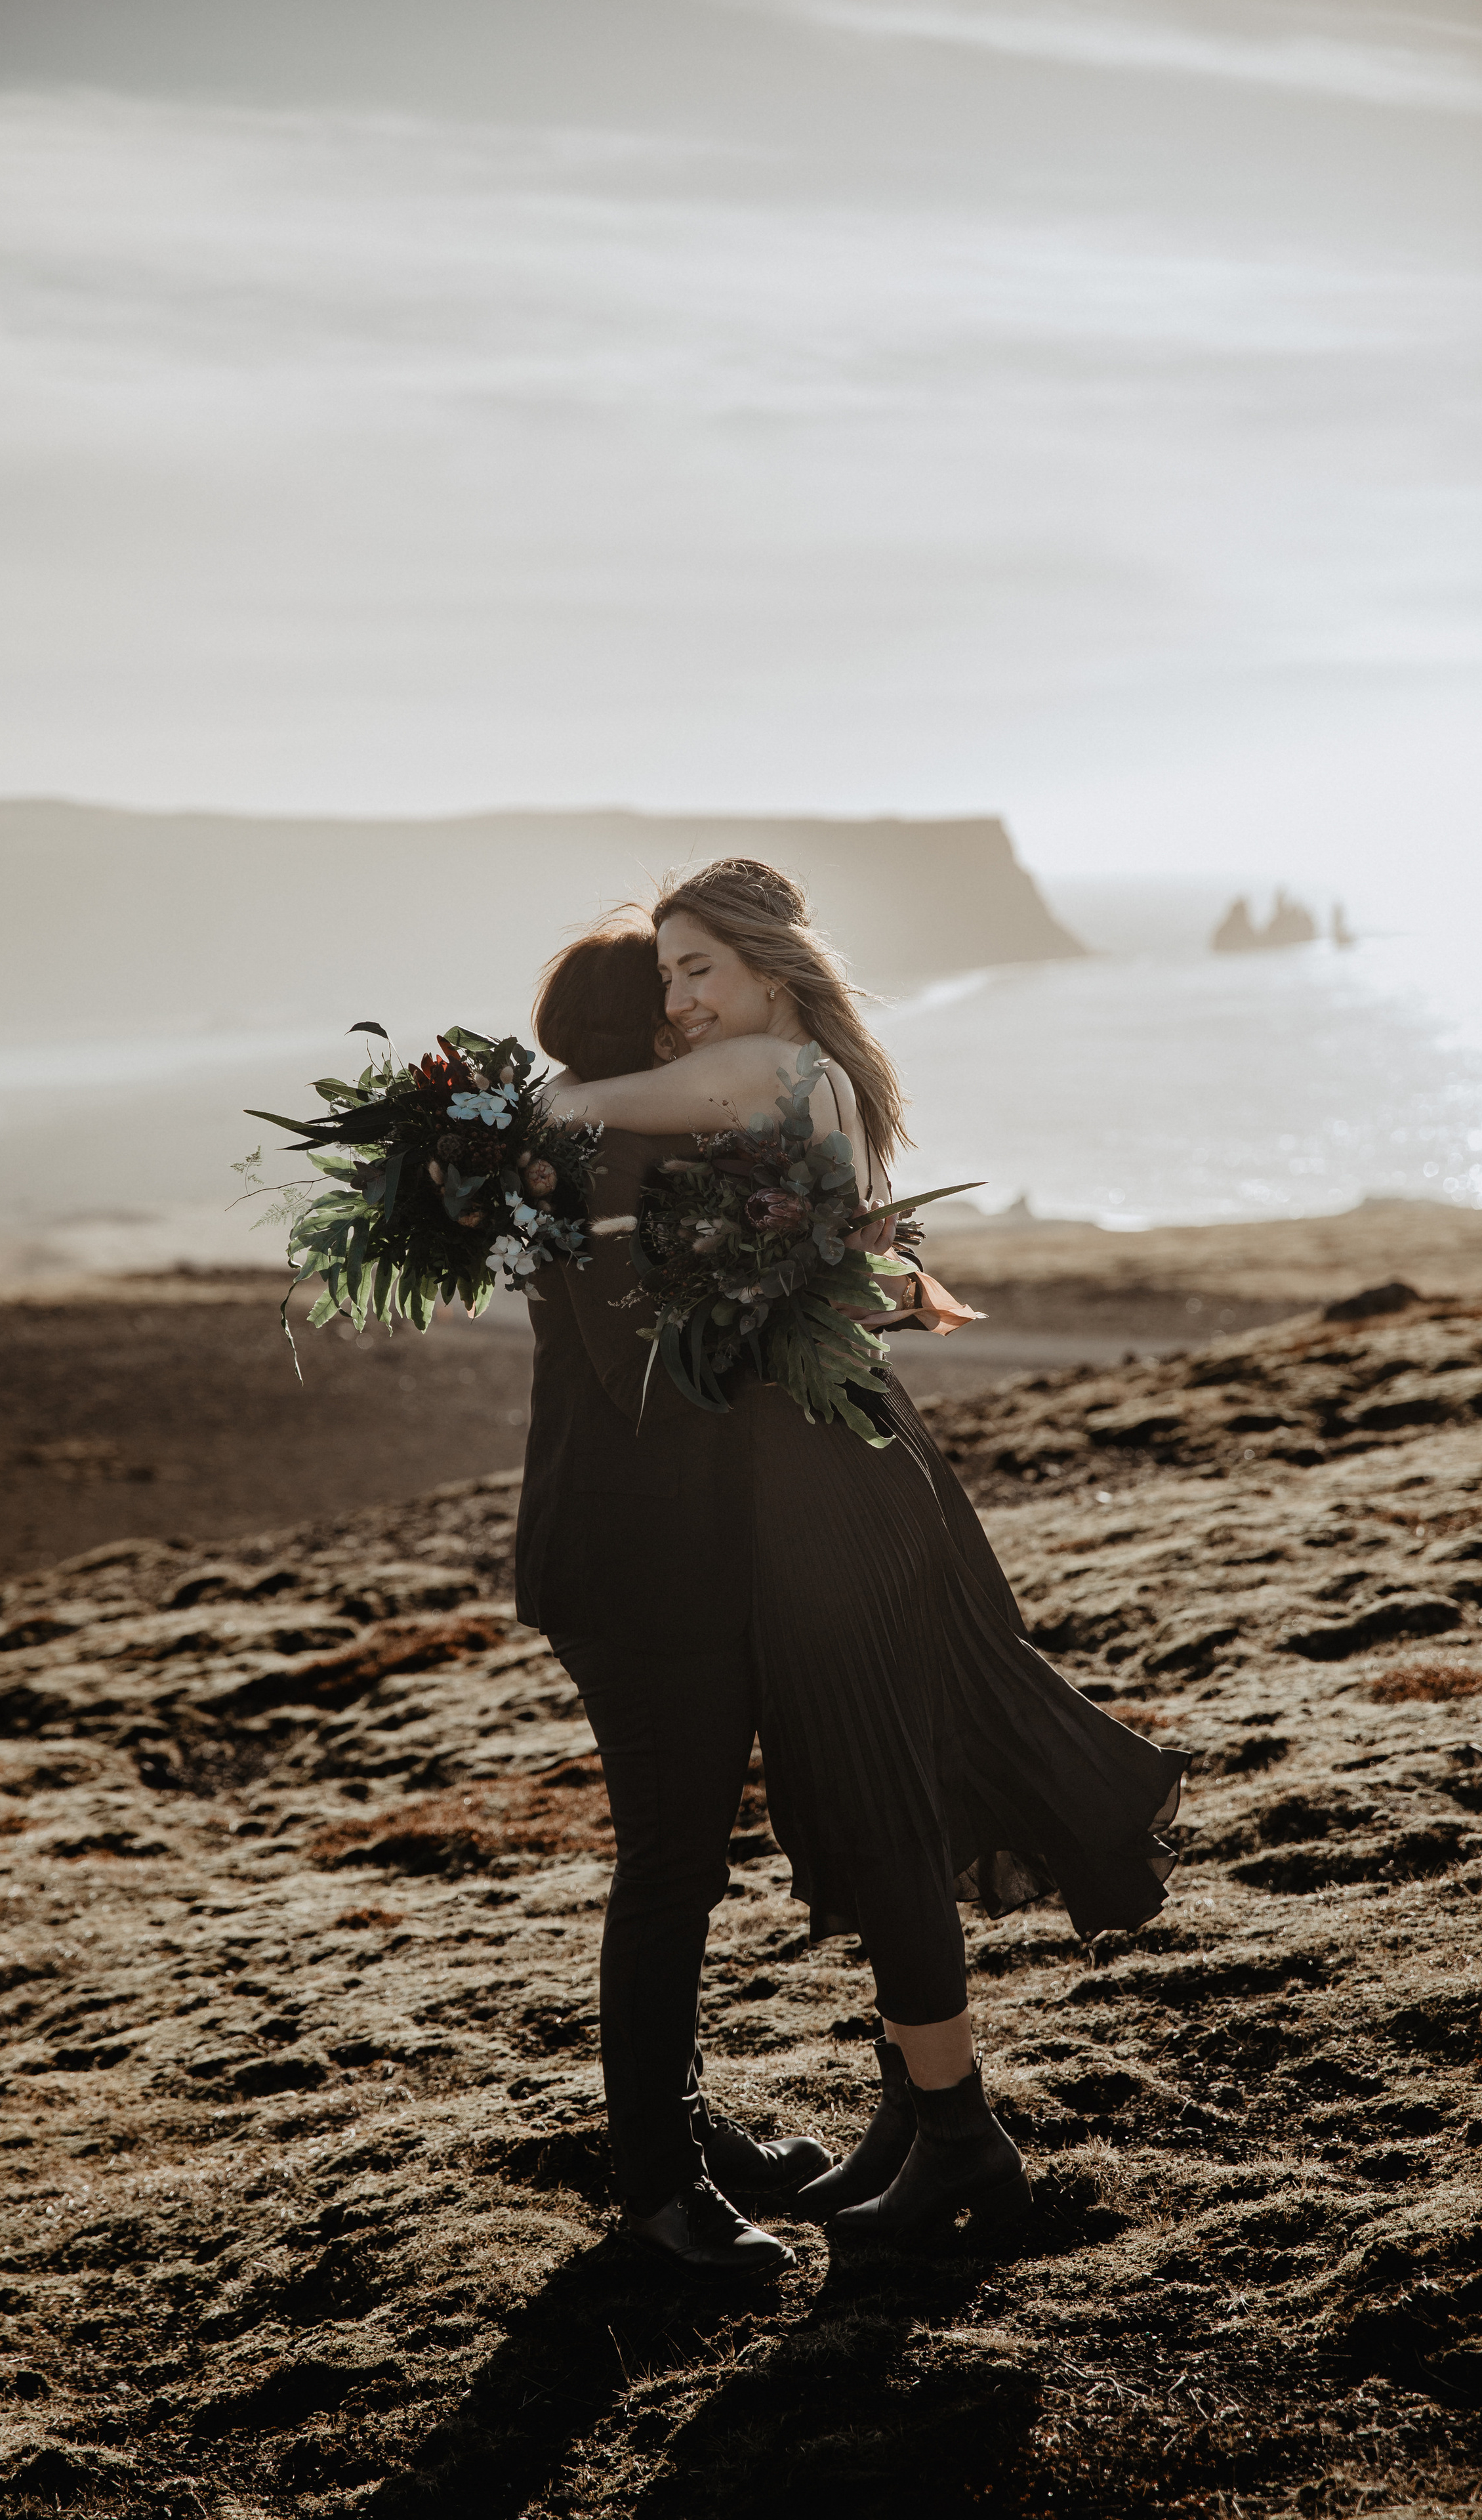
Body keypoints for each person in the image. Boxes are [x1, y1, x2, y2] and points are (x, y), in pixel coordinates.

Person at [545, 860, 1188, 2249]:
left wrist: (513, 1135)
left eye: (697, 970)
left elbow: (569, 1107)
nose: (677, 1001)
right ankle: (914, 2111)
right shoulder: (805, 1067)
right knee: (860, 1789)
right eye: (661, 978)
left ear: (772, 968)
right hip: (812, 1467)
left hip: (828, 1479)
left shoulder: (768, 1069)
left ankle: (955, 2140)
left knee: (880, 1791)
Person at [514, 919, 831, 2275]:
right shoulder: (610, 1157)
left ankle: (685, 2132)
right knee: (666, 1872)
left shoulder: (618, 1144)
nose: (687, 1013)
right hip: (629, 1563)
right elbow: (652, 1374)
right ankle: (657, 2187)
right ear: (633, 1029)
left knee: (685, 1866)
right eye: (668, 991)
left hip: (645, 1554)